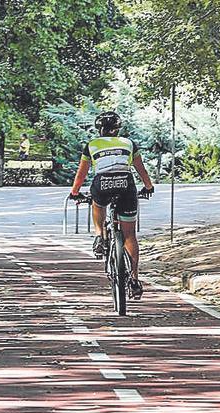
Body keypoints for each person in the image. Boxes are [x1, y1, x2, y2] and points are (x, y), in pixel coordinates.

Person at [69, 111, 154, 299]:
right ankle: (134, 279)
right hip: (126, 184)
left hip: (102, 183)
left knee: (97, 203)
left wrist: (75, 193)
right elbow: (141, 169)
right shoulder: (129, 143)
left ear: (99, 129)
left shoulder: (91, 145)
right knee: (130, 235)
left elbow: (81, 174)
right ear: (118, 129)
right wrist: (148, 187)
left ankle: (99, 235)